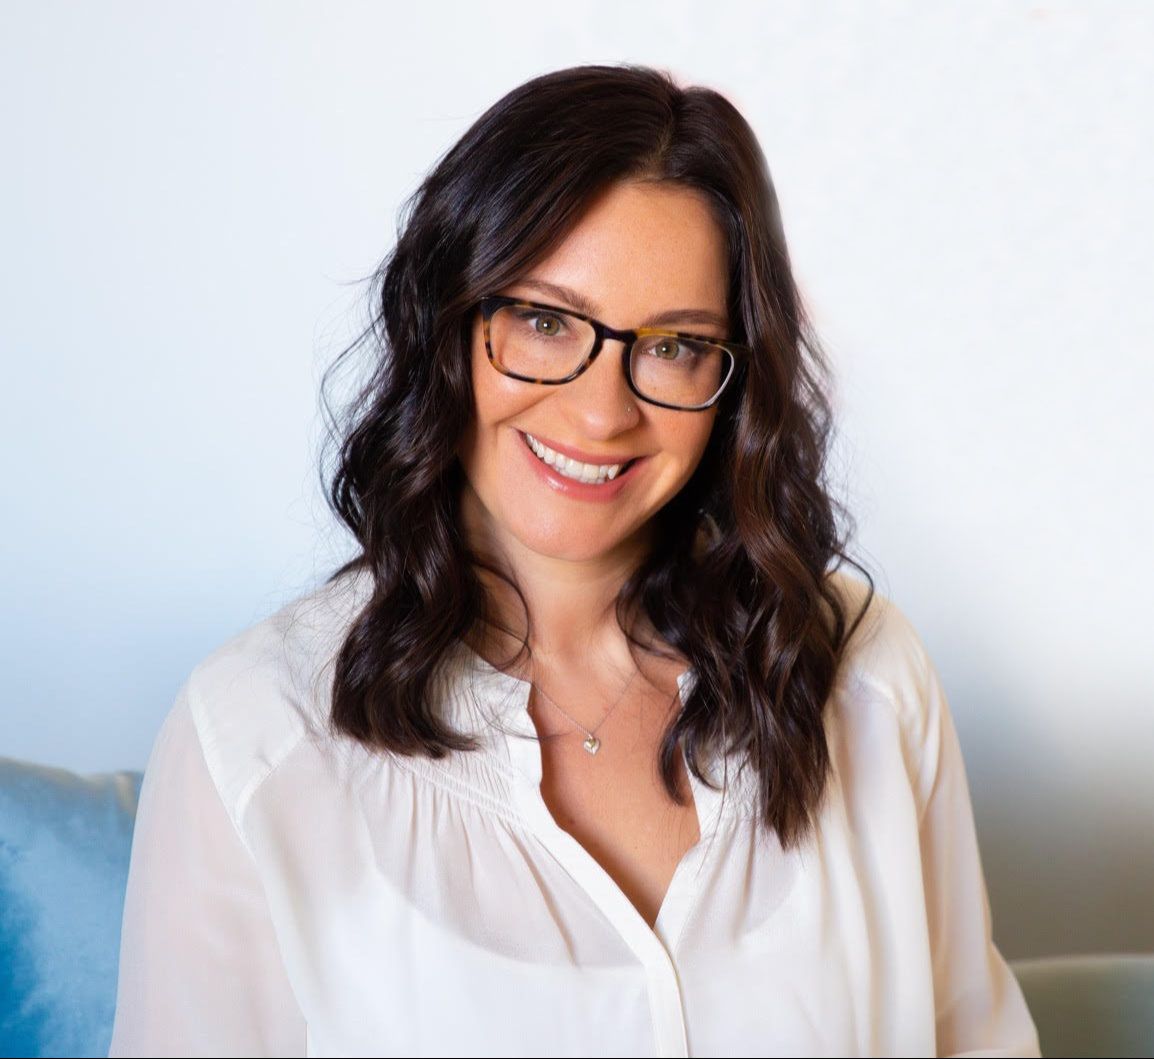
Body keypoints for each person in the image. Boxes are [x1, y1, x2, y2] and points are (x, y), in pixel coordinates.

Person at [107, 63, 1040, 1057]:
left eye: (673, 345)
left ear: (733, 383)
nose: (601, 414)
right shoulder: (254, 733)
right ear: (447, 324)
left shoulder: (869, 675)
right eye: (545, 322)